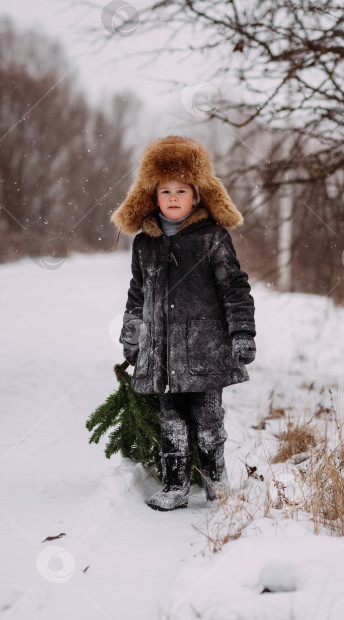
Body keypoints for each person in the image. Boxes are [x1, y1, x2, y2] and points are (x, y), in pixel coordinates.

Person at [111, 135, 256, 511]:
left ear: (197, 195)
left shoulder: (212, 239)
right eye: (164, 191)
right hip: (161, 352)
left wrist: (242, 334)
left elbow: (235, 289)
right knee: (171, 421)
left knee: (209, 419)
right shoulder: (145, 244)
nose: (173, 197)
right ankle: (175, 485)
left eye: (181, 190)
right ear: (152, 196)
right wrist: (133, 337)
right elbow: (137, 294)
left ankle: (215, 482)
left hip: (206, 349)